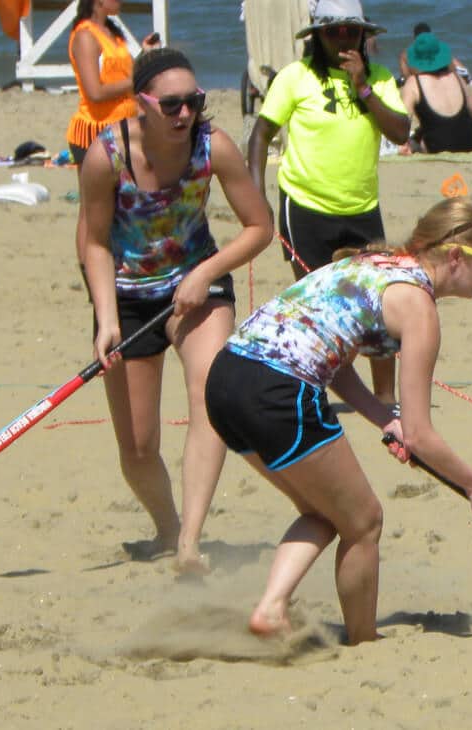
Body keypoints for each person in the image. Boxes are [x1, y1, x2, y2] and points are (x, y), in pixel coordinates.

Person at [205, 196, 472, 645]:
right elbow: (423, 436)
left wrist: (386, 420)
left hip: (227, 379)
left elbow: (339, 362)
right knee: (364, 522)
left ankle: (271, 609)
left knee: (327, 512)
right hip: (277, 390)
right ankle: (364, 642)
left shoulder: (378, 263)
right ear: (455, 256)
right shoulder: (418, 306)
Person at [81, 48, 274, 574]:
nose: (184, 113)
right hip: (126, 295)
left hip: (198, 282)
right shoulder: (107, 154)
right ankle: (166, 528)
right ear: (140, 103)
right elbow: (94, 243)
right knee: (139, 447)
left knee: (209, 397)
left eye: (193, 101)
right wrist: (106, 319)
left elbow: (261, 227)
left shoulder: (214, 148)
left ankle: (189, 542)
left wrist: (205, 275)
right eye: (171, 104)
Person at [247, 0, 409, 408]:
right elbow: (261, 133)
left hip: (361, 206)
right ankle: (313, 387)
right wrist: (256, 197)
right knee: (317, 302)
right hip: (305, 206)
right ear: (316, 36)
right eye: (333, 31)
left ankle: (385, 397)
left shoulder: (381, 78)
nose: (342, 39)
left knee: (377, 299)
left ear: (363, 36)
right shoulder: (294, 77)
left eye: (351, 31)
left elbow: (401, 132)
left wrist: (363, 88)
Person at [67, 0, 160, 287]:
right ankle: (90, 276)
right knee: (91, 210)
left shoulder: (112, 31)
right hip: (93, 131)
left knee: (122, 203)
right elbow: (95, 91)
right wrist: (137, 79)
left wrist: (143, 56)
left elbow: (117, 76)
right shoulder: (85, 35)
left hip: (124, 129)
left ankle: (119, 267)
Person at [398, 32, 472, 154]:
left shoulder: (414, 82)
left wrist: (405, 144)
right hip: (470, 141)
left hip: (437, 145)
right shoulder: (457, 77)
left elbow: (404, 120)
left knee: (416, 139)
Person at [398, 22, 472, 85]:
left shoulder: (405, 54)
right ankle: (470, 80)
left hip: (421, 84)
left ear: (415, 38)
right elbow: (451, 69)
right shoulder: (439, 48)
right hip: (443, 80)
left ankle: (468, 78)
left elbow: (407, 77)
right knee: (452, 60)